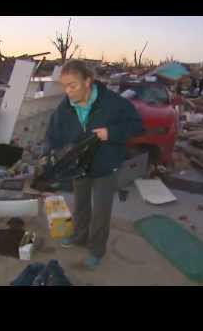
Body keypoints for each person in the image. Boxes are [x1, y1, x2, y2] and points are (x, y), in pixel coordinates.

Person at [45, 60, 143, 270]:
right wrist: (50, 153)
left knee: (101, 211)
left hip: (105, 166)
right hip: (79, 165)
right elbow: (53, 133)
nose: (68, 91)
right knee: (80, 204)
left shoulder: (113, 103)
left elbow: (137, 126)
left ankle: (96, 250)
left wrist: (112, 133)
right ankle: (79, 237)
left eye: (73, 85)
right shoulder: (66, 106)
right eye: (65, 86)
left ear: (88, 81)